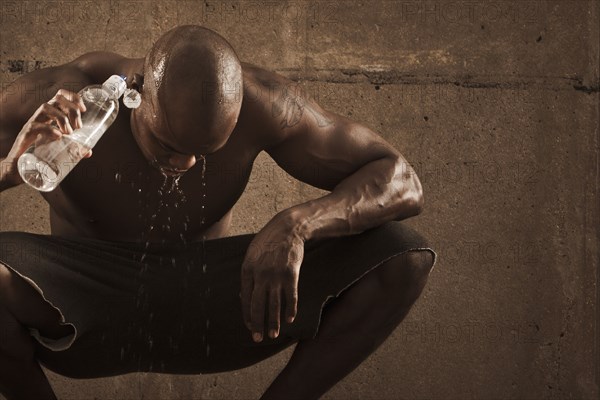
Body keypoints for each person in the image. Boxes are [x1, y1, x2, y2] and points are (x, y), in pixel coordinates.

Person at [0, 25, 436, 400]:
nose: (186, 165)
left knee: (401, 254)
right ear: (134, 95)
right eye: (170, 147)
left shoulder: (265, 102)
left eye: (204, 152)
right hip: (81, 303)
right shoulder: (52, 97)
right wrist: (7, 167)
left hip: (209, 302)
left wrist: (297, 225)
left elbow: (401, 179)